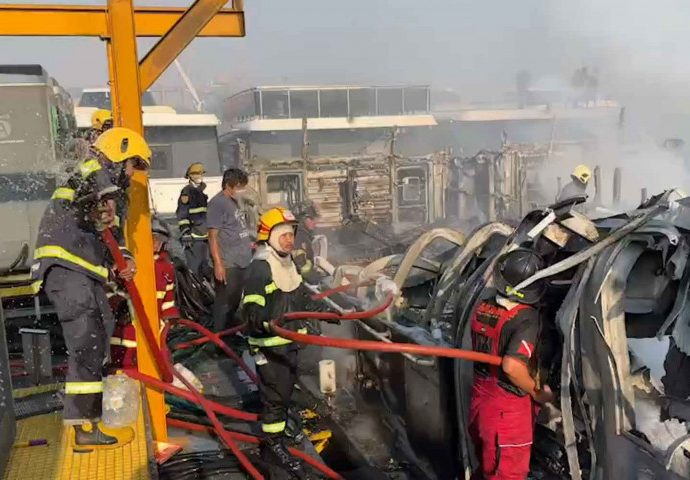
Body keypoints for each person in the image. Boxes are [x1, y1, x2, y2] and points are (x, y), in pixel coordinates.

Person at [31, 127, 149, 446]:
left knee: (98, 337)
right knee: (86, 343)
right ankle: (84, 429)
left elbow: (107, 230)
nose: (131, 173)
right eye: (131, 164)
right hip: (68, 268)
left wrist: (123, 257)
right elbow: (94, 195)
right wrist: (104, 200)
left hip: (83, 271)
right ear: (119, 153)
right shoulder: (94, 171)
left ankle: (88, 421)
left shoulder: (102, 184)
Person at [242, 207, 328, 478]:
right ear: (270, 237)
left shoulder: (288, 263)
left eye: (292, 235)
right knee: (274, 398)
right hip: (269, 346)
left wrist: (321, 313)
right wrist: (263, 321)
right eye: (284, 235)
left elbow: (299, 296)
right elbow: (251, 310)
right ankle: (274, 446)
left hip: (287, 344)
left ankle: (280, 435)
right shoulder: (261, 267)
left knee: (286, 389)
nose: (290, 240)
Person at [468, 248, 554, 480]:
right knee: (508, 474)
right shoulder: (526, 318)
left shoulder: (483, 305)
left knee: (488, 467)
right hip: (507, 411)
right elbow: (512, 366)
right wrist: (536, 393)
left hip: (480, 398)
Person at [110, 217, 180, 369]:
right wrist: (118, 306)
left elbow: (168, 298)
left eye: (160, 239)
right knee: (124, 364)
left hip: (154, 329)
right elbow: (113, 287)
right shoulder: (130, 264)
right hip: (127, 327)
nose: (156, 243)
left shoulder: (166, 269)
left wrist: (170, 317)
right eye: (152, 238)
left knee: (158, 363)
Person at [207, 168, 253, 331]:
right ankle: (219, 339)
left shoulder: (234, 202)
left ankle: (230, 332)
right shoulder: (217, 204)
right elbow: (212, 236)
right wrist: (219, 264)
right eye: (240, 187)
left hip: (242, 260)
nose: (243, 191)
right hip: (229, 263)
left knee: (235, 301)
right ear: (229, 185)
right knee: (225, 304)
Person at [176, 162, 212, 282]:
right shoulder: (187, 192)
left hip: (204, 236)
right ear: (190, 176)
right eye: (196, 174)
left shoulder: (200, 192)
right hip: (193, 238)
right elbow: (182, 214)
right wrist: (186, 232)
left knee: (205, 268)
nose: (199, 176)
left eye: (201, 174)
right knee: (195, 270)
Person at [292, 200, 320, 283]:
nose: (315, 222)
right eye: (311, 219)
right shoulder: (298, 237)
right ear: (302, 219)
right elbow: (302, 267)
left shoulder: (304, 235)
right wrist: (317, 280)